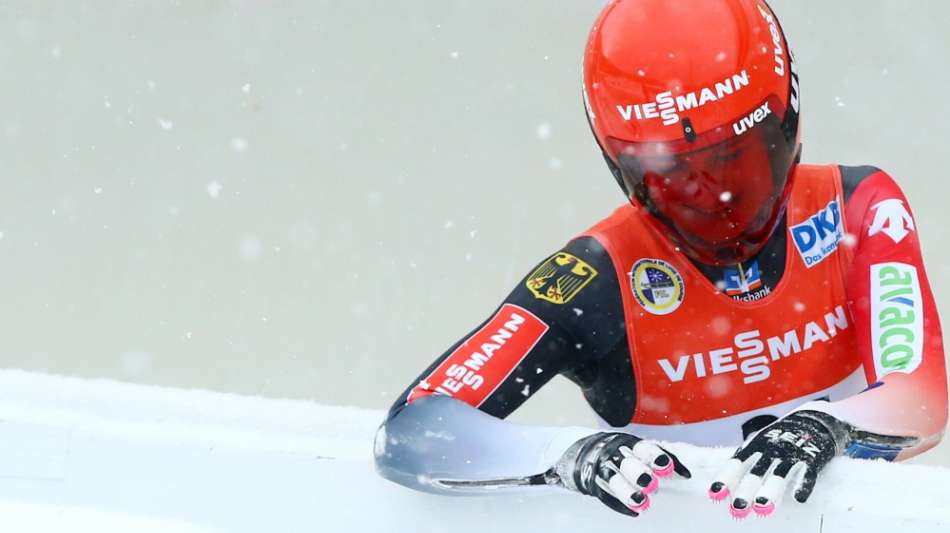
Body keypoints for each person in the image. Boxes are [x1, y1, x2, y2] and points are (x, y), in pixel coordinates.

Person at [373, 0, 948, 520]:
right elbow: (416, 428)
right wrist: (569, 454)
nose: (714, 200)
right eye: (672, 175)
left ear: (787, 120)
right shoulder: (595, 278)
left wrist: (828, 428)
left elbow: (920, 397)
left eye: (734, 160)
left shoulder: (858, 208)